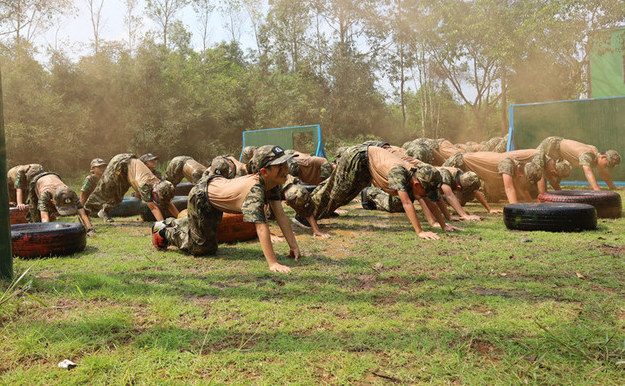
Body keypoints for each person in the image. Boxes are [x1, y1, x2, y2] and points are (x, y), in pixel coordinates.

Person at [153, 145, 301, 273]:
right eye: (279, 166)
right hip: (202, 196)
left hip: (216, 195)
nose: (285, 169)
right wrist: (273, 263)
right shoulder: (254, 191)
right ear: (264, 172)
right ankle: (164, 230)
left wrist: (293, 246)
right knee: (201, 248)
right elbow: (261, 228)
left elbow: (281, 216)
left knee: (209, 245)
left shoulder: (272, 184)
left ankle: (184, 224)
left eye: (285, 164)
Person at [309, 144, 453, 240]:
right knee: (337, 193)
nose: (425, 194)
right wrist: (420, 232)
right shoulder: (399, 173)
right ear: (416, 183)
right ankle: (307, 211)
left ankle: (311, 212)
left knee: (344, 194)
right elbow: (407, 203)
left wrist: (443, 225)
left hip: (367, 161)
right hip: (357, 157)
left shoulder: (419, 176)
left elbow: (429, 198)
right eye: (425, 190)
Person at [84, 153, 177, 222]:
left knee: (118, 196)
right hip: (120, 163)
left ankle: (104, 211)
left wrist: (180, 218)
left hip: (128, 173)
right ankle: (84, 214)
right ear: (154, 191)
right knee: (104, 190)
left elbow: (167, 202)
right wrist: (162, 225)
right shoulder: (145, 185)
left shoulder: (161, 183)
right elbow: (153, 208)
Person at [443, 151, 543, 203]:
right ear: (522, 174)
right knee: (437, 188)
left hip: (467, 172)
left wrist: (531, 204)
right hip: (459, 163)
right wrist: (515, 210)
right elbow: (509, 188)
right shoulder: (508, 163)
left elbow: (520, 188)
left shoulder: (517, 168)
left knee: (462, 201)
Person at [537, 137, 621, 190]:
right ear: (603, 157)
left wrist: (612, 187)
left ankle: (557, 192)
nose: (606, 167)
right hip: (551, 145)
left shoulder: (597, 157)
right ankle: (541, 197)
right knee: (538, 169)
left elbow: (603, 173)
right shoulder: (587, 155)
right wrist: (596, 190)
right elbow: (588, 172)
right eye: (607, 165)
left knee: (554, 172)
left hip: (559, 153)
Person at [27, 172, 95, 235]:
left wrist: (90, 229)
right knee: (35, 214)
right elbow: (44, 218)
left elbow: (82, 212)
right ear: (52, 202)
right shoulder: (44, 195)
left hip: (55, 176)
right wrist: (47, 234)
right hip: (37, 181)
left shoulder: (70, 193)